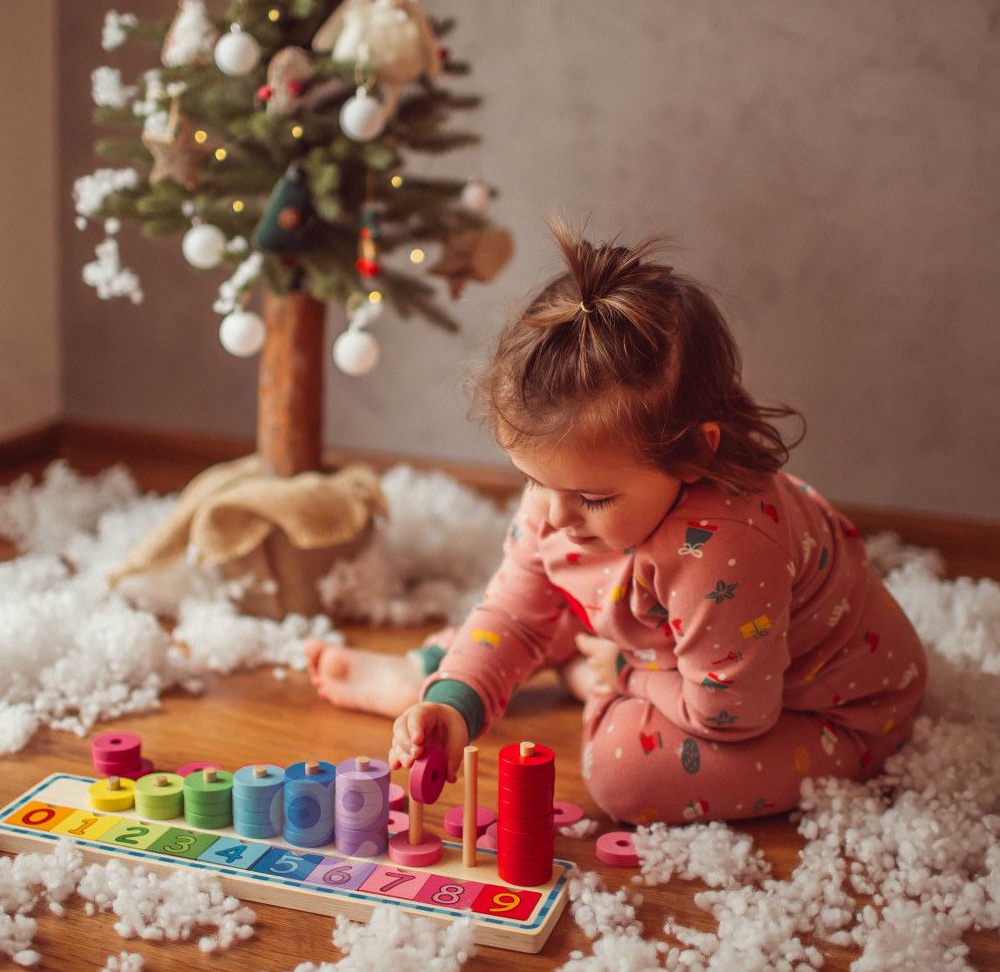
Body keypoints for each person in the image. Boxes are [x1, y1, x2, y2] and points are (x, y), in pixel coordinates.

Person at [305, 219, 927, 825]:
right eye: (533, 480)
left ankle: (587, 669)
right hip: (685, 641)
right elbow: (515, 614)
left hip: (819, 709)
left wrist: (622, 674)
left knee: (622, 770)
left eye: (591, 498)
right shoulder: (566, 501)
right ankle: (434, 677)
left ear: (694, 453)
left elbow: (729, 717)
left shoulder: (728, 552)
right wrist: (454, 705)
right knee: (527, 616)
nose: (552, 516)